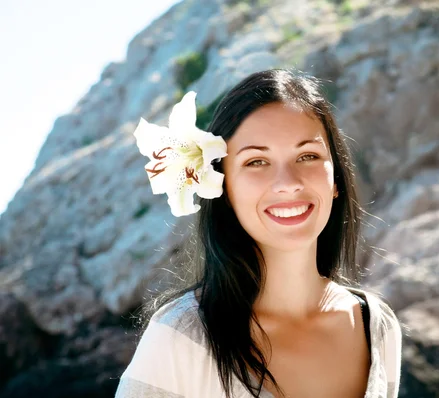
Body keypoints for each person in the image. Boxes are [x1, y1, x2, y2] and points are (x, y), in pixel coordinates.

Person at [115, 69, 402, 398]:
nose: (288, 183)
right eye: (256, 162)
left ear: (335, 178)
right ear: (223, 187)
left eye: (308, 156)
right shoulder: (182, 336)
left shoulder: (376, 327)